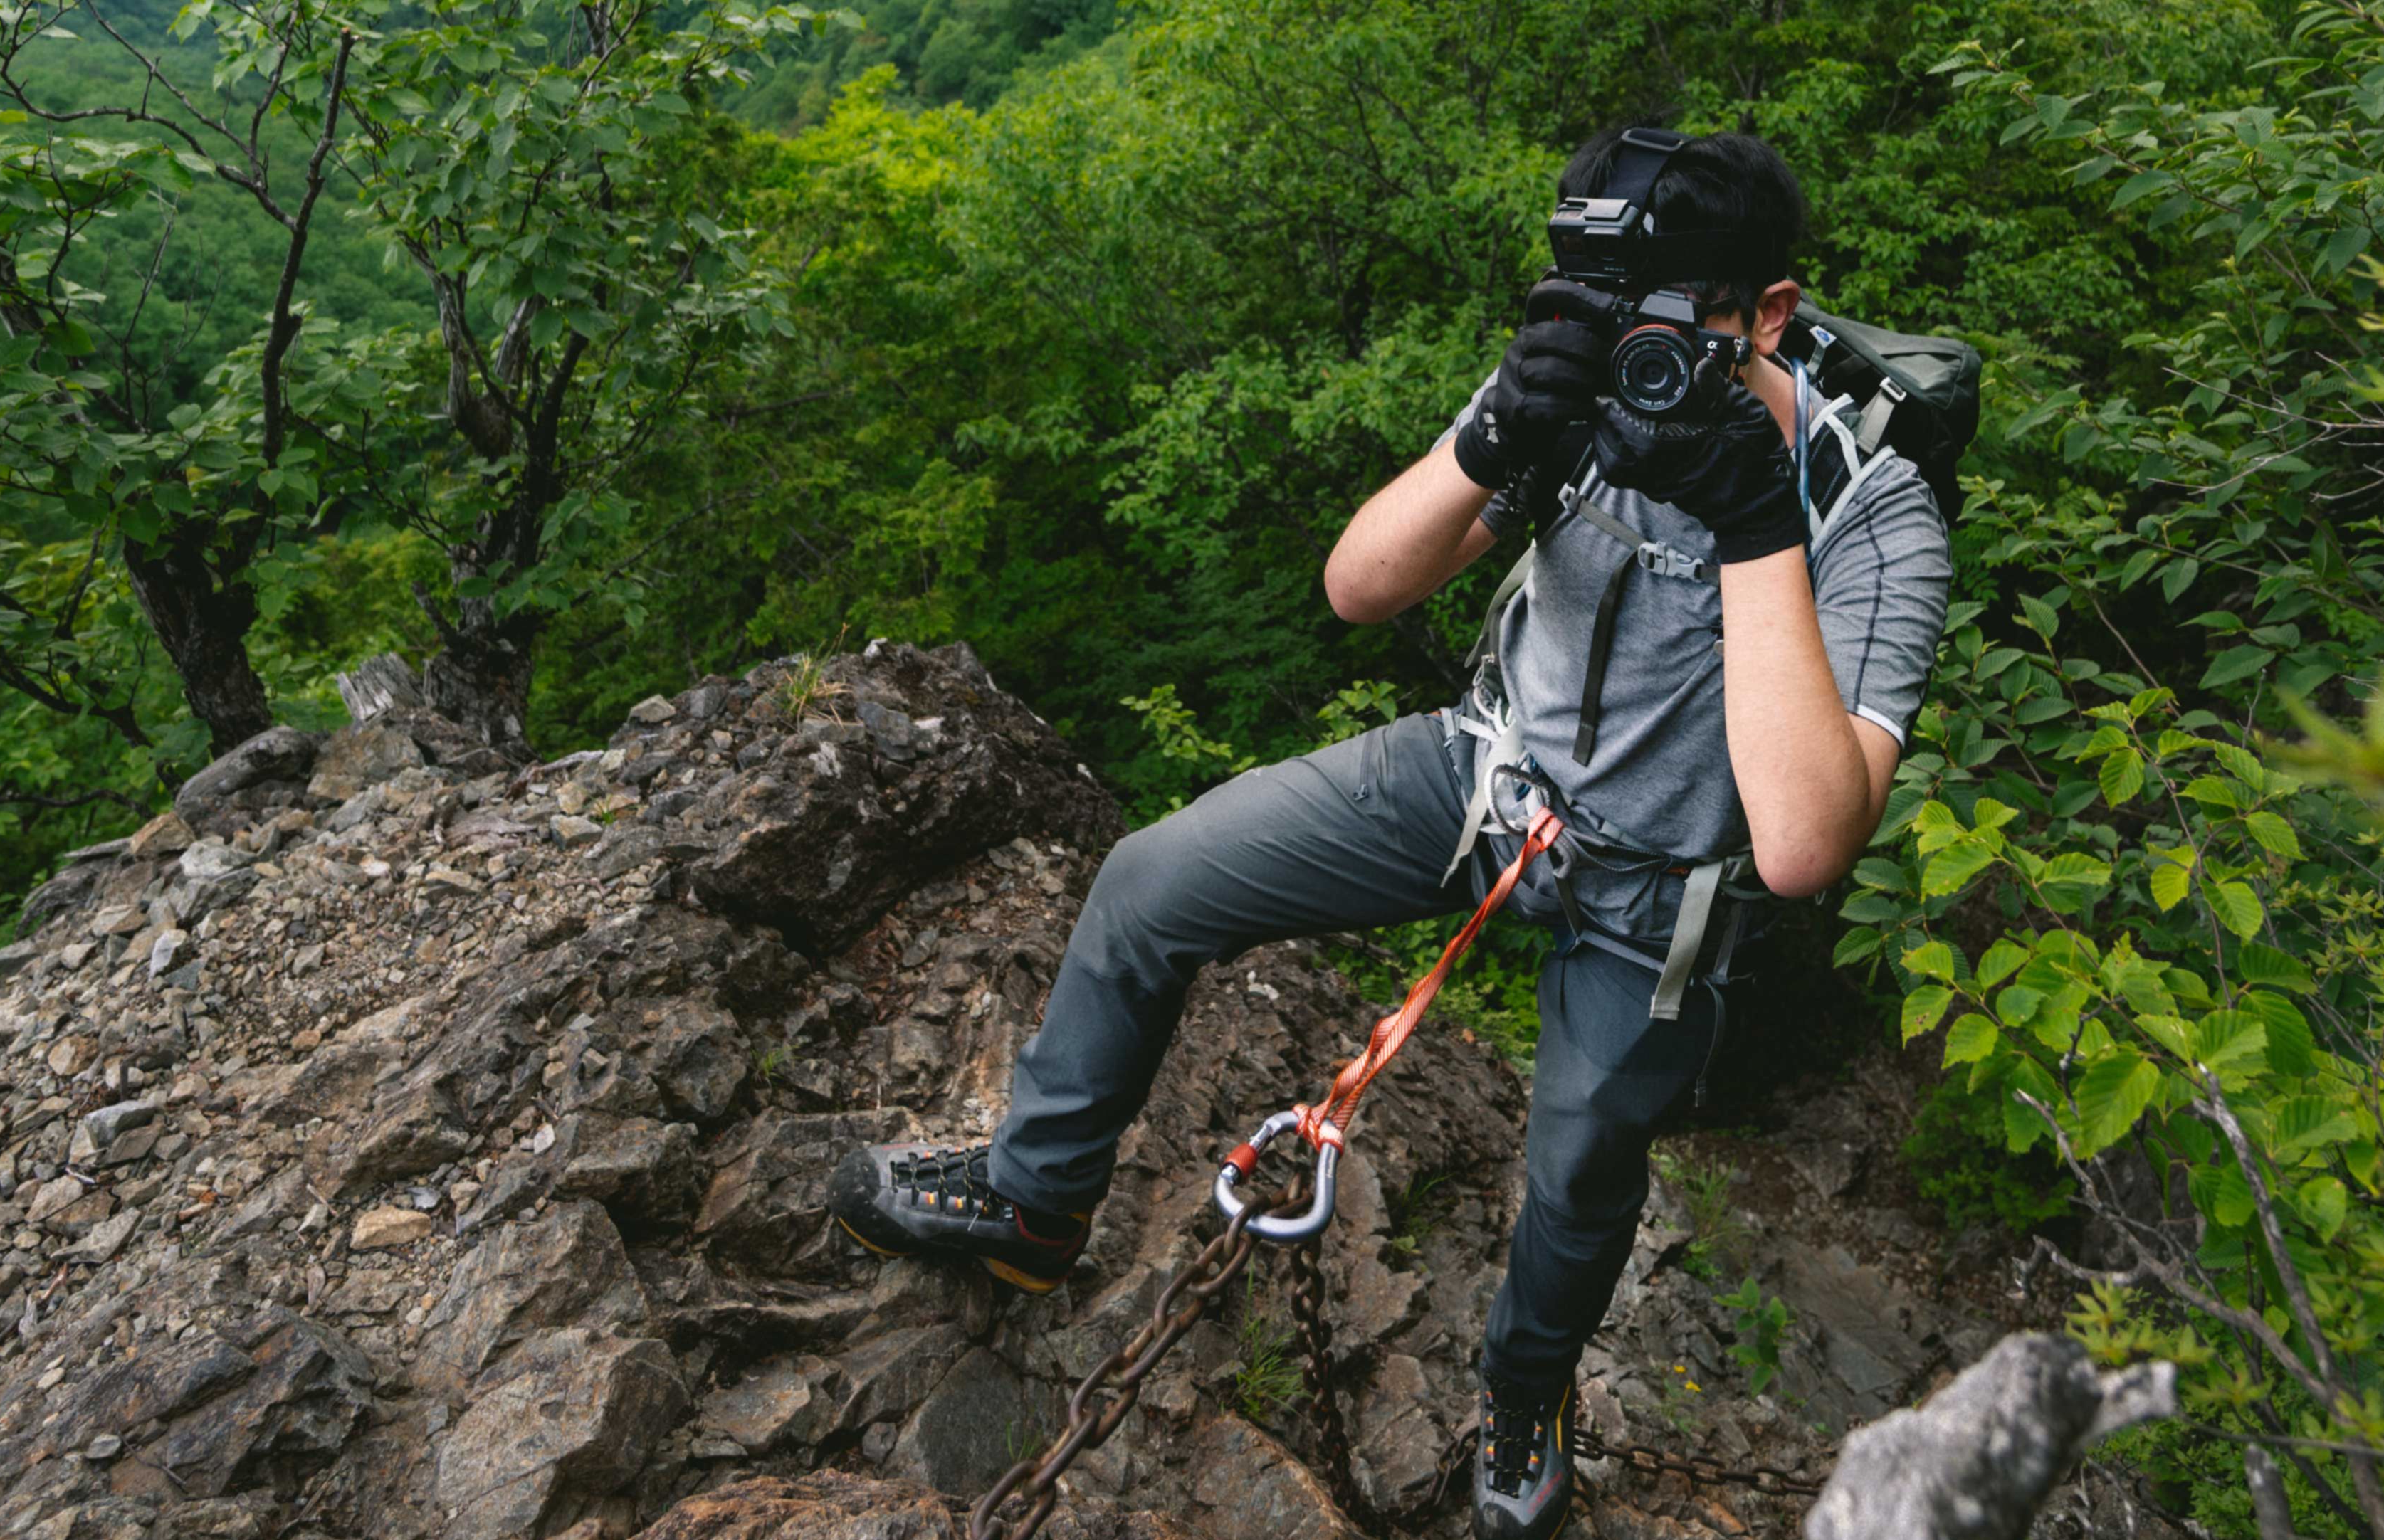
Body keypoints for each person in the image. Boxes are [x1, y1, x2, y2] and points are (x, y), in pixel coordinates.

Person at [828, 125, 1952, 1540]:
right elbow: (1360, 585)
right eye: (1596, 310)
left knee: (1584, 1164)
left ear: (1768, 315)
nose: (1625, 350)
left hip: (1663, 884)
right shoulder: (1578, 389)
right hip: (1480, 781)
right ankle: (1035, 1196)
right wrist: (1496, 434)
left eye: (1658, 319)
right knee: (1151, 879)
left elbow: (1802, 843)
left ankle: (1520, 1398)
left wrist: (1749, 520)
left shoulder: (1875, 511)